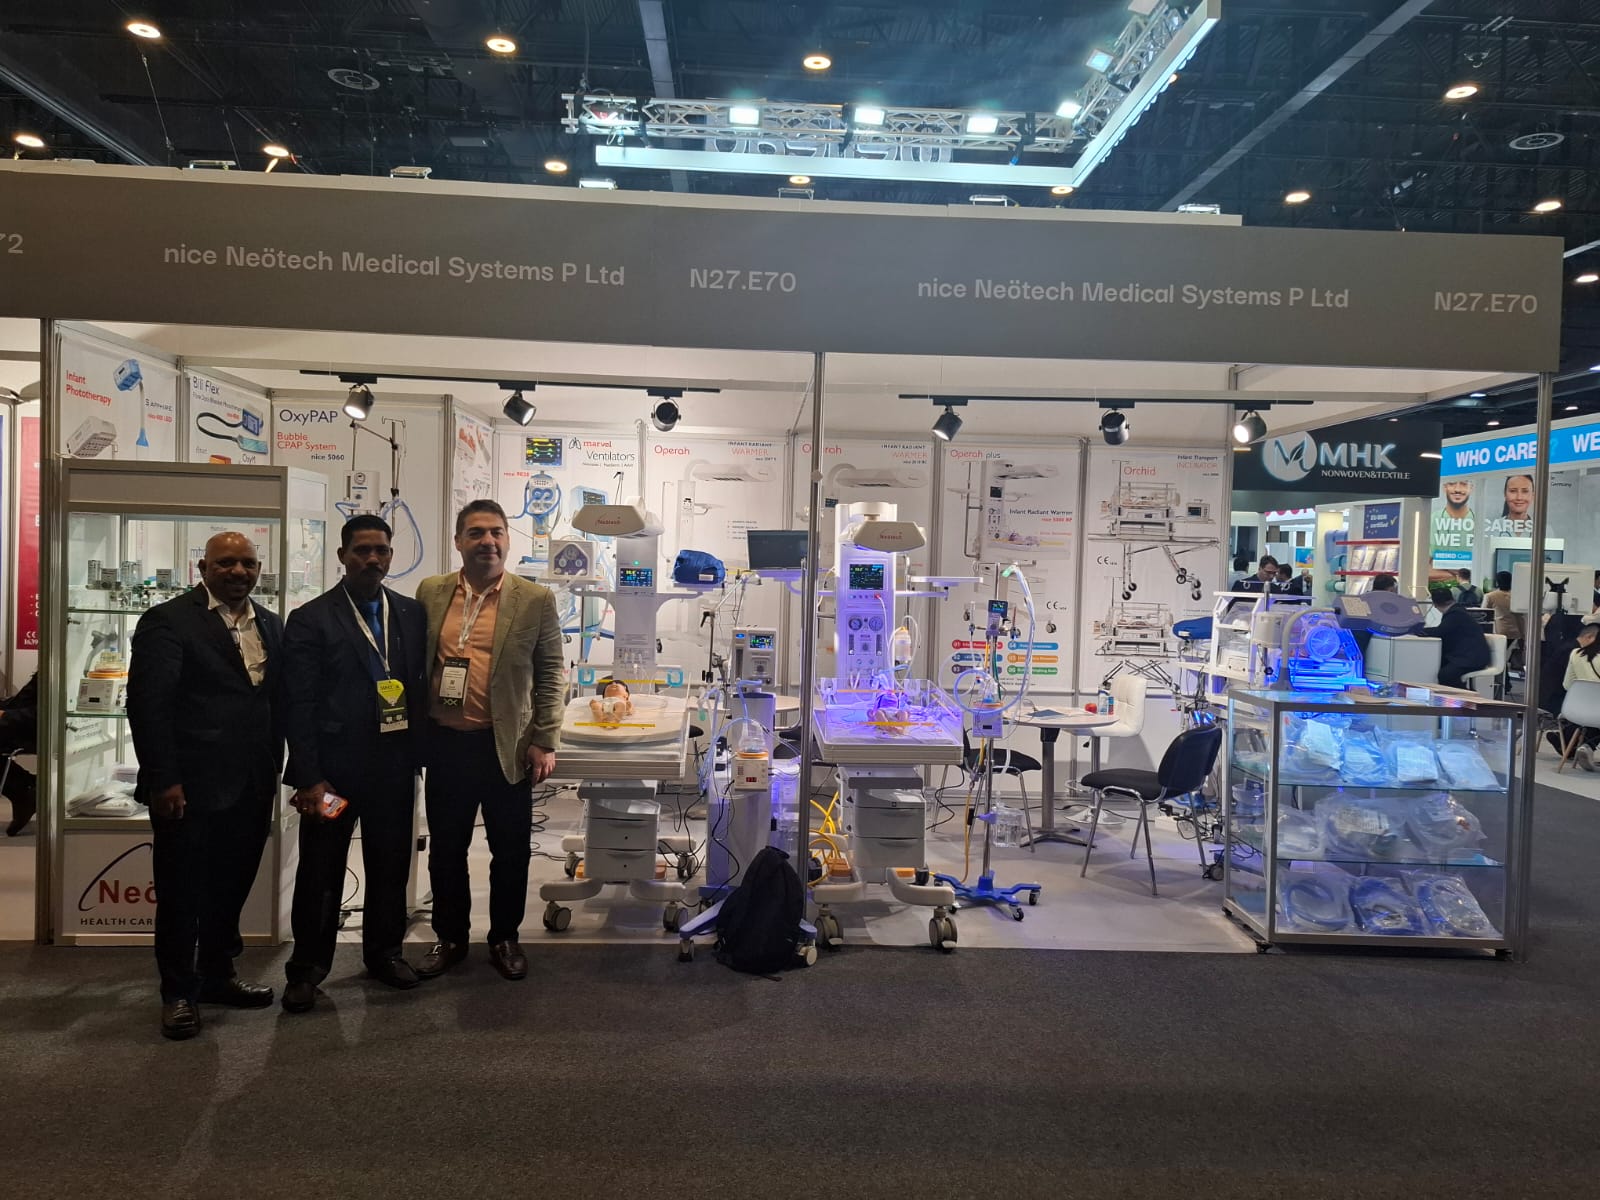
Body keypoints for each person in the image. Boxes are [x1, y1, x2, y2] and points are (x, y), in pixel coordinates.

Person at [127, 532, 284, 1041]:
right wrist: (163, 779)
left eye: (248, 563)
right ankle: (177, 993)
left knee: (231, 885)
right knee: (181, 892)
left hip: (252, 783)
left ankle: (218, 975)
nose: (238, 571)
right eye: (226, 562)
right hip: (188, 787)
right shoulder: (168, 621)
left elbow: (271, 702)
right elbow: (148, 706)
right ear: (203, 568)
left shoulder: (271, 624)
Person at [280, 515, 429, 1013]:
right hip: (332, 777)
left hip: (393, 770)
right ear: (342, 556)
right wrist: (308, 777)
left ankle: (384, 955)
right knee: (320, 874)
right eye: (362, 550)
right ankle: (307, 969)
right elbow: (298, 705)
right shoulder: (310, 618)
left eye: (380, 550)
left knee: (390, 867)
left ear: (390, 556)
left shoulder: (410, 613)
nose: (372, 559)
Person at [416, 500, 565, 983]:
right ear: (458, 541)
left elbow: (551, 674)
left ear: (507, 539)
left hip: (508, 747)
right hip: (446, 745)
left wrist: (545, 739)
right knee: (446, 850)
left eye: (496, 532)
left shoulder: (534, 599)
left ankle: (504, 937)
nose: (488, 541)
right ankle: (451, 938)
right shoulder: (431, 591)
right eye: (477, 533)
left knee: (511, 851)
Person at [1414, 585, 1492, 689]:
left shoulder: (1455, 614)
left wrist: (1417, 630)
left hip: (1471, 658)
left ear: (1435, 605)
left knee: (1446, 675)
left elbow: (1440, 631)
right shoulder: (1458, 611)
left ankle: (1462, 696)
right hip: (1470, 655)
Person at [1559, 617, 1600, 771]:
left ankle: (1585, 746)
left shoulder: (1575, 654)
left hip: (1576, 711)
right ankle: (1588, 746)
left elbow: (1567, 684)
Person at [0, 673, 38, 836]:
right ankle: (26, 788)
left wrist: (5, 715)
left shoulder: (59, 667)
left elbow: (49, 711)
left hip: (33, 729)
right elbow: (23, 701)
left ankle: (25, 790)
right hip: (21, 723)